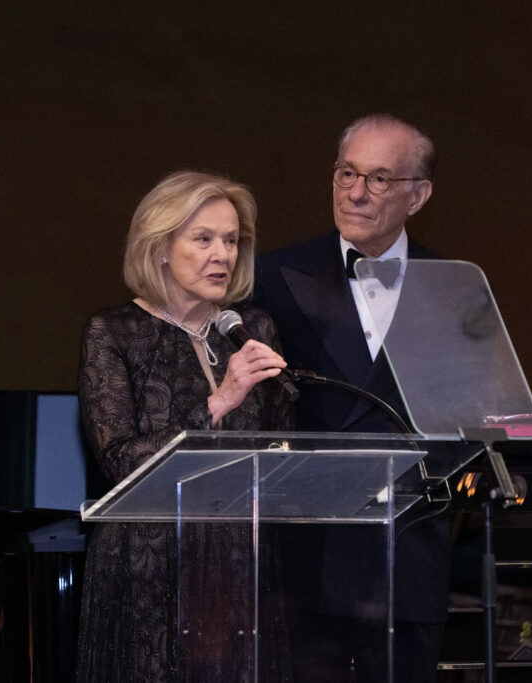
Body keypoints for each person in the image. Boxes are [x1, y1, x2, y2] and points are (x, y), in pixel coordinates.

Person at [75, 170, 293, 683]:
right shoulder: (114, 333)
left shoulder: (252, 329)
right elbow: (119, 461)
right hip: (148, 570)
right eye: (203, 239)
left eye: (231, 240)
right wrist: (218, 402)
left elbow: (282, 444)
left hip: (240, 566)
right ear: (161, 248)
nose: (223, 255)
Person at [253, 114, 445, 682]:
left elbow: (475, 413)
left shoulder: (455, 286)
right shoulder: (273, 276)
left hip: (407, 561)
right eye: (346, 173)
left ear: (418, 195)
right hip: (307, 563)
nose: (356, 193)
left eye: (379, 179)